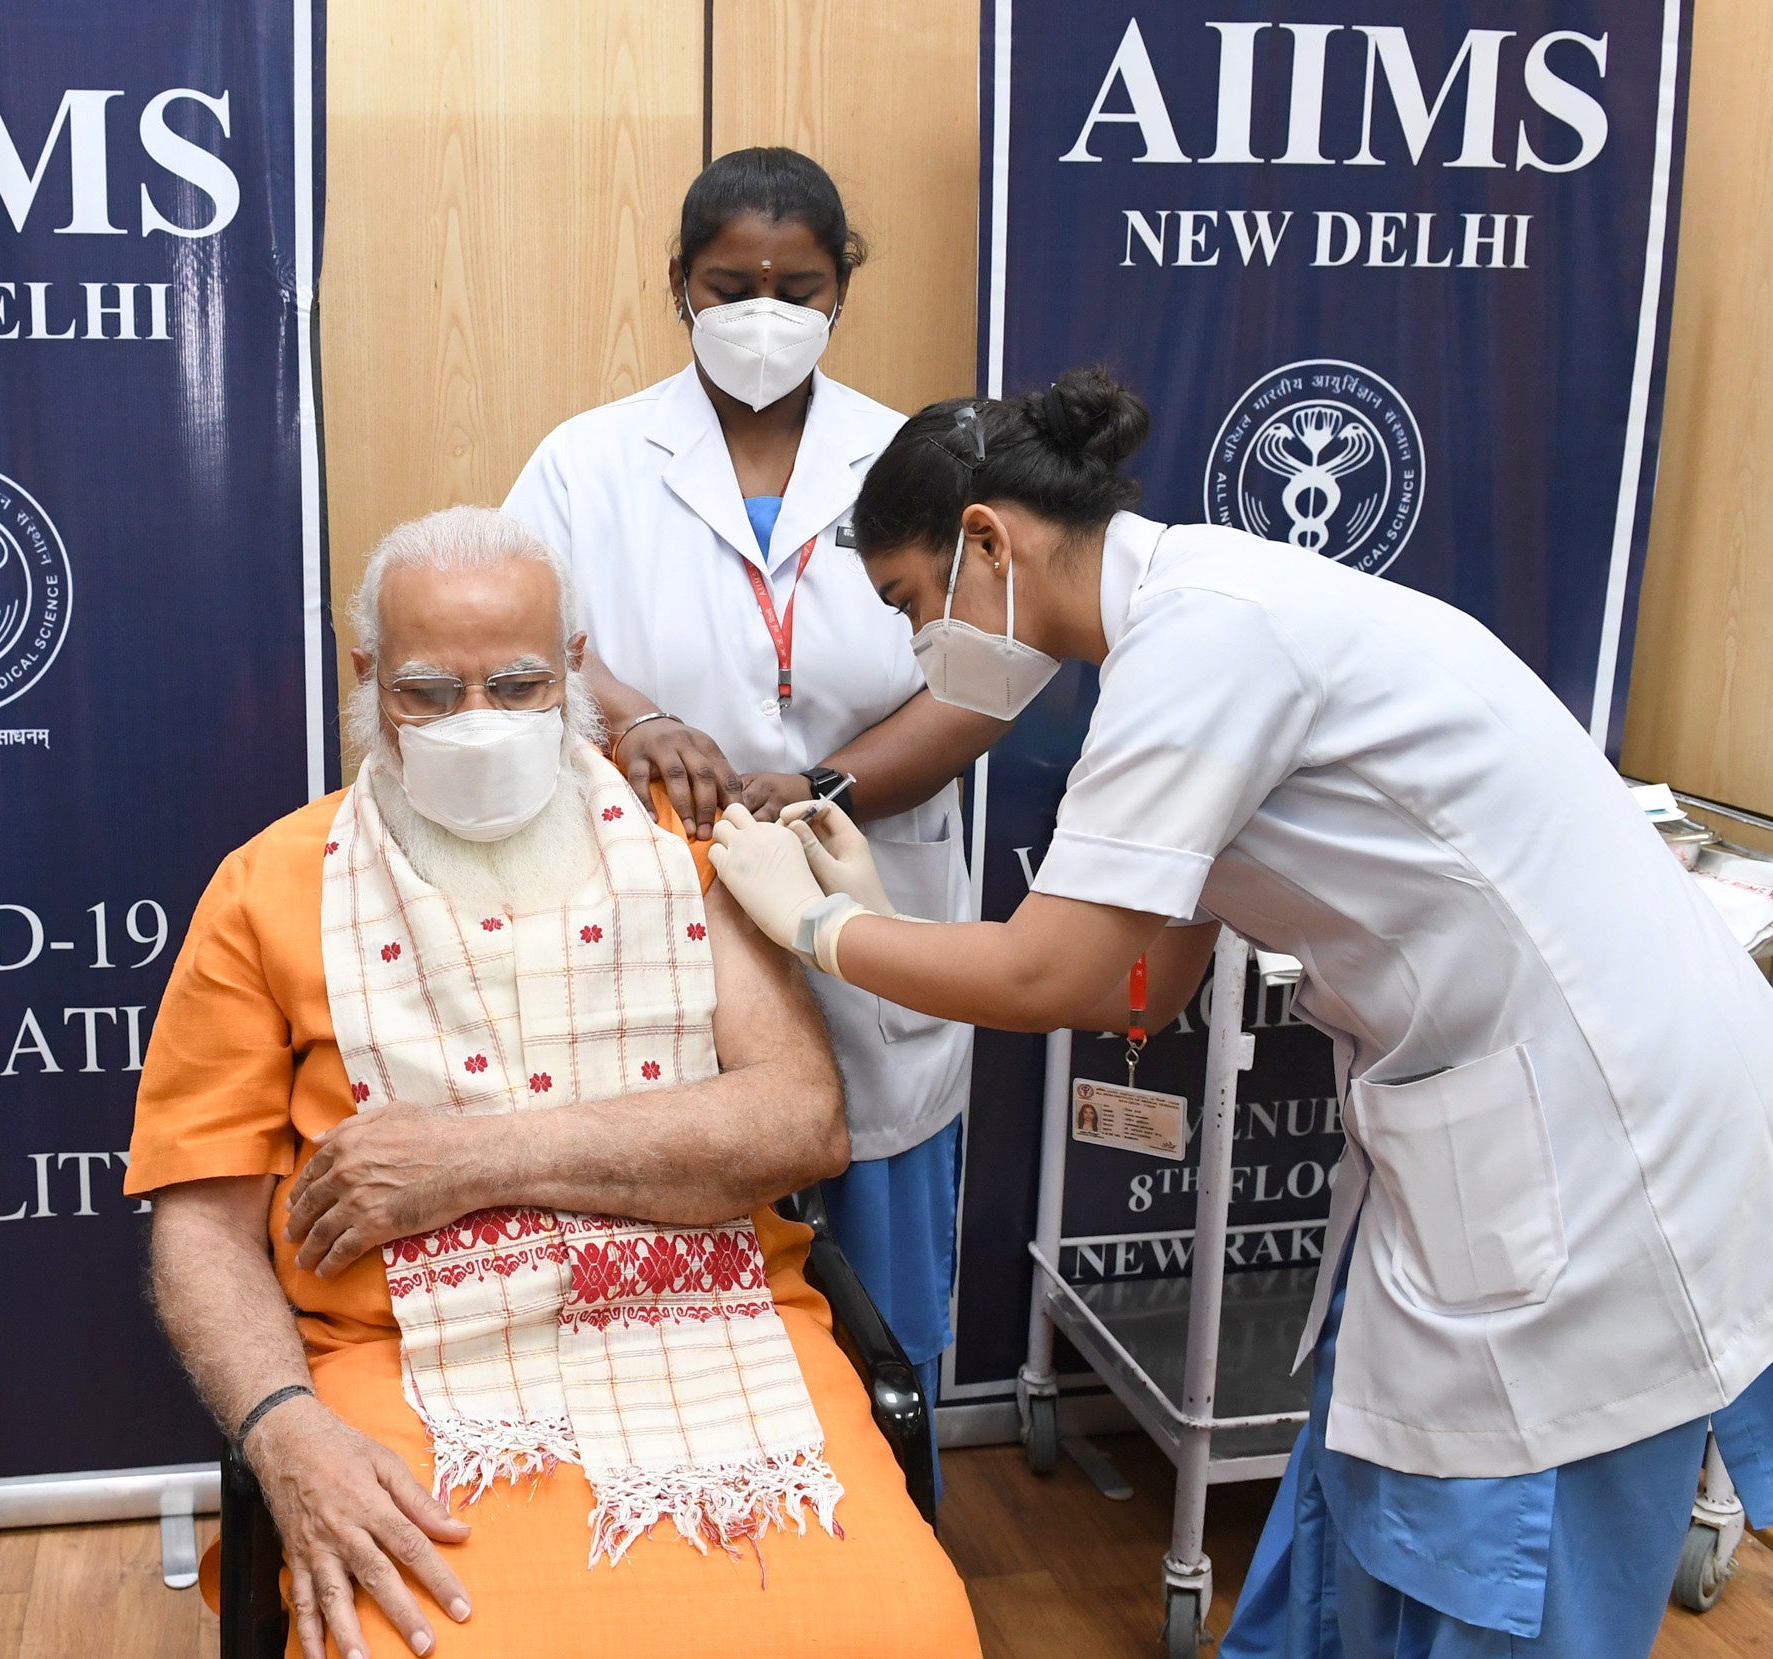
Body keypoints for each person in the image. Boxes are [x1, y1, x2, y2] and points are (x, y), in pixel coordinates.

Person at [705, 369, 1773, 1657]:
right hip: (1499, 1106)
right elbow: (1152, 984)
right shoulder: (1195, 617)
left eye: (911, 606)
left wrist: (819, 928)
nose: (923, 650)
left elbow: (1067, 981)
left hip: (1597, 1132)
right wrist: (894, 919)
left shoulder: (1206, 641)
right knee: (1374, 1493)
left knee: (1497, 1558)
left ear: (984, 541)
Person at [127, 508, 980, 1659]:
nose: (475, 724)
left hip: (715, 1315)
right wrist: (286, 1433)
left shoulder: (686, 849)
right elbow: (203, 1226)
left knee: (904, 1632)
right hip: (404, 1360)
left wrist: (470, 1159)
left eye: (519, 685)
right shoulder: (267, 887)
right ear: (367, 675)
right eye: (430, 693)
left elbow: (798, 1122)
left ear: (576, 668)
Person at [503, 148, 1005, 1427]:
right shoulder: (588, 462)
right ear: (678, 284)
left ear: (844, 290)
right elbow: (527, 645)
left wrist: (826, 783)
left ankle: (899, 1561)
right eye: (730, 285)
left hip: (868, 891)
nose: (763, 313)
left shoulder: (917, 457)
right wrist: (642, 721)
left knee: (881, 1307)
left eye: (798, 285)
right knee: (688, 1260)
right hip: (664, 898)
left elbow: (990, 678)